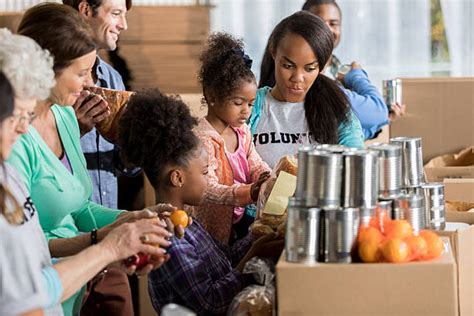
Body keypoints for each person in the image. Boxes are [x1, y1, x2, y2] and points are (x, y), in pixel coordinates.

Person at [5, 4, 175, 315]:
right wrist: (104, 244)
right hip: (48, 285)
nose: (89, 83)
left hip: (71, 283)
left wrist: (131, 219)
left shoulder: (65, 116)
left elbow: (80, 207)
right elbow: (26, 249)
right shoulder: (14, 142)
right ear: (48, 69)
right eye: (82, 73)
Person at [117, 89, 284, 315]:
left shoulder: (186, 220)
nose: (209, 180)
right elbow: (211, 303)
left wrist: (257, 237)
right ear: (177, 178)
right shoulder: (168, 238)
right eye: (206, 172)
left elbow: (224, 263)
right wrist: (253, 254)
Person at [61, 0, 137, 312]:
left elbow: (126, 167)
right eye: (116, 13)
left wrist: (136, 147)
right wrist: (72, 131)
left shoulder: (113, 79)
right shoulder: (49, 88)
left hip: (108, 239)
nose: (124, 25)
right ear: (86, 10)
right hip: (66, 247)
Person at [252, 11, 364, 168]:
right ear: (273, 52)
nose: (297, 78)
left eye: (309, 68)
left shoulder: (336, 109)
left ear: (321, 67)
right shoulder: (249, 106)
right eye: (288, 66)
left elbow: (355, 164)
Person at [193, 32, 271, 244]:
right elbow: (208, 190)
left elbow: (253, 161)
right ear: (212, 97)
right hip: (211, 228)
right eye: (238, 103)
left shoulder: (242, 131)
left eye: (251, 103)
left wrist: (265, 176)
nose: (246, 111)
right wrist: (248, 192)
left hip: (240, 219)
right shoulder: (202, 139)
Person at [303, 0, 406, 131]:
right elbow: (378, 111)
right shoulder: (310, 76)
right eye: (320, 23)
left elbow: (343, 132)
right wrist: (357, 75)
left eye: (333, 23)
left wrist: (382, 120)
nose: (328, 29)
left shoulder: (340, 72)